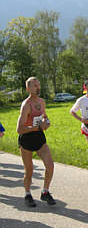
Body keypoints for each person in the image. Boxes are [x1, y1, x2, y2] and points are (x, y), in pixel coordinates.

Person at [17, 77, 56, 207]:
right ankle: (27, 194)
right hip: (26, 139)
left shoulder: (42, 101)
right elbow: (19, 129)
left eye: (38, 85)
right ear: (28, 89)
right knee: (29, 170)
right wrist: (37, 127)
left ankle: (45, 192)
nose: (38, 88)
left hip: (39, 137)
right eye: (34, 86)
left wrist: (47, 122)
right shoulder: (26, 105)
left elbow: (44, 116)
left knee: (50, 165)